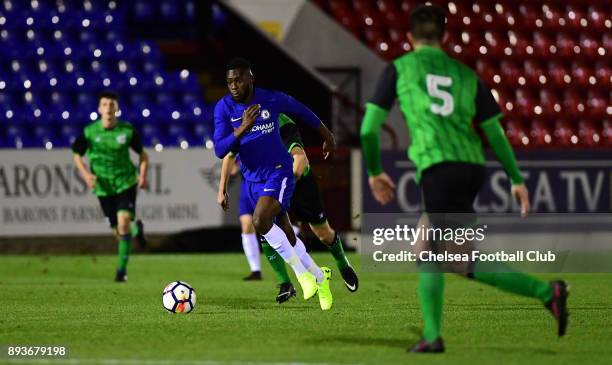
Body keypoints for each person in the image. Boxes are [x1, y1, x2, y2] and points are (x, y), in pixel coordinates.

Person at [360, 4, 569, 353]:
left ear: (409, 38)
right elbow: (496, 133)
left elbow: (368, 130)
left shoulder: (399, 69)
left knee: (431, 253)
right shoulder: (466, 74)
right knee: (451, 256)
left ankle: (433, 337)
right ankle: (548, 293)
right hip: (472, 167)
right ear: (443, 37)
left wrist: (374, 172)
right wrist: (515, 178)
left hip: (439, 165)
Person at [213, 58, 337, 310]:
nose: (234, 86)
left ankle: (302, 277)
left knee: (259, 221)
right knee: (287, 234)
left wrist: (328, 135)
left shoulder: (271, 99)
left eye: (238, 80)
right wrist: (242, 129)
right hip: (252, 178)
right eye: (229, 82)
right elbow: (219, 149)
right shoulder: (223, 108)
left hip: (279, 172)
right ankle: (321, 277)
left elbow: (303, 112)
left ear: (250, 78)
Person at [218, 112, 359, 303]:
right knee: (264, 225)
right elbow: (229, 154)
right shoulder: (245, 122)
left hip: (298, 182)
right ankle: (287, 282)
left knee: (323, 234)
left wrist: (285, 184)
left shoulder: (281, 123)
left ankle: (342, 264)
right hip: (271, 182)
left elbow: (301, 160)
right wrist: (223, 187)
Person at [72, 91, 149, 282]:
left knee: (123, 222)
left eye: (112, 104)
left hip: (125, 182)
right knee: (118, 231)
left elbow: (143, 155)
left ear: (117, 108)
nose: (108, 108)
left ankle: (121, 272)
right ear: (99, 109)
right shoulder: (90, 132)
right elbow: (76, 154)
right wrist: (87, 175)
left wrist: (143, 175)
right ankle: (137, 231)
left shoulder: (127, 130)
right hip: (103, 187)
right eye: (104, 104)